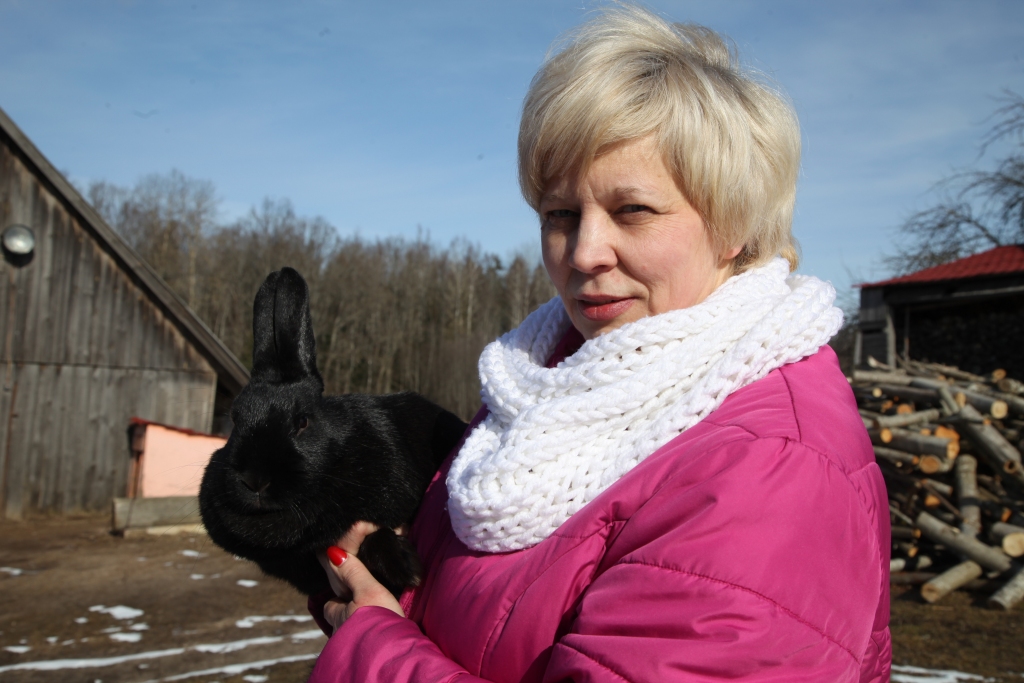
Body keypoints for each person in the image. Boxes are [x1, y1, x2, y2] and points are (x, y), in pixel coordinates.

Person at [308, 6, 890, 682]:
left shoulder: (771, 469)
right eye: (560, 212)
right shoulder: (545, 389)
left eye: (632, 210)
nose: (583, 252)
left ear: (734, 223)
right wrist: (384, 581)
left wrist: (371, 650)